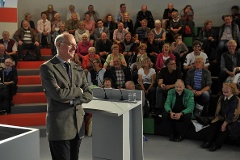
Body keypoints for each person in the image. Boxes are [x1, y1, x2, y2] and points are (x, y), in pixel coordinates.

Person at [40, 32, 93, 160]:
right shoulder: (48, 68)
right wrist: (78, 91)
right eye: (70, 45)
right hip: (60, 127)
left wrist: (72, 101)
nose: (75, 48)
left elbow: (89, 93)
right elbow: (58, 94)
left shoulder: (77, 68)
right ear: (59, 45)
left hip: (78, 126)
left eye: (75, 45)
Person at [200, 83, 240, 151]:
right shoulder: (221, 97)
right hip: (222, 117)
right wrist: (218, 118)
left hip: (232, 120)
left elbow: (233, 114)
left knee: (226, 128)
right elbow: (219, 111)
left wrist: (225, 123)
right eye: (223, 88)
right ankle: (208, 141)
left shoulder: (235, 99)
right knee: (214, 124)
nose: (225, 90)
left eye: (227, 89)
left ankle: (216, 144)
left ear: (232, 90)